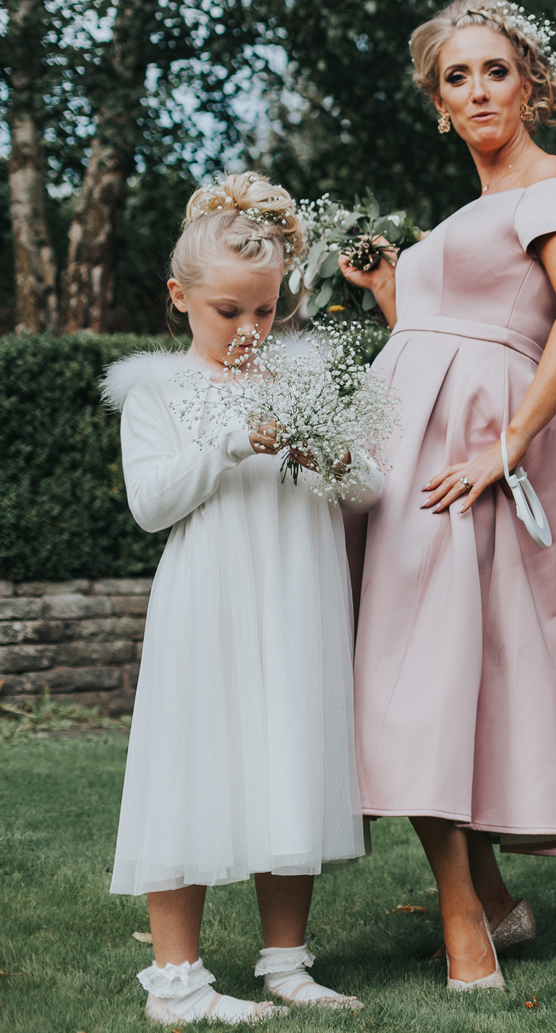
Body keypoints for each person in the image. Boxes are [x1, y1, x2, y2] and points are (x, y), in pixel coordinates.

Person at [341, 0, 556, 991]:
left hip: (468, 450)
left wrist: (509, 441)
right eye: (455, 78)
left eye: (492, 70)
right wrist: (386, 290)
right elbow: (443, 320)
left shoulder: (549, 186)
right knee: (413, 669)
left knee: (431, 672)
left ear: (531, 82)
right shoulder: (468, 209)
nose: (476, 90)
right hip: (402, 444)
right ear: (438, 103)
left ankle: (467, 917)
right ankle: (492, 896)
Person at [107, 173, 373, 1024]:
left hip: (297, 596)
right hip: (212, 600)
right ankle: (177, 982)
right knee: (192, 763)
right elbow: (151, 505)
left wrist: (334, 457)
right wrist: (229, 440)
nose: (252, 331)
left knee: (289, 758)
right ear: (180, 296)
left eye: (266, 312)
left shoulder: (301, 378)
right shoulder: (156, 389)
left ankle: (287, 961)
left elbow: (368, 487)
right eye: (230, 312)